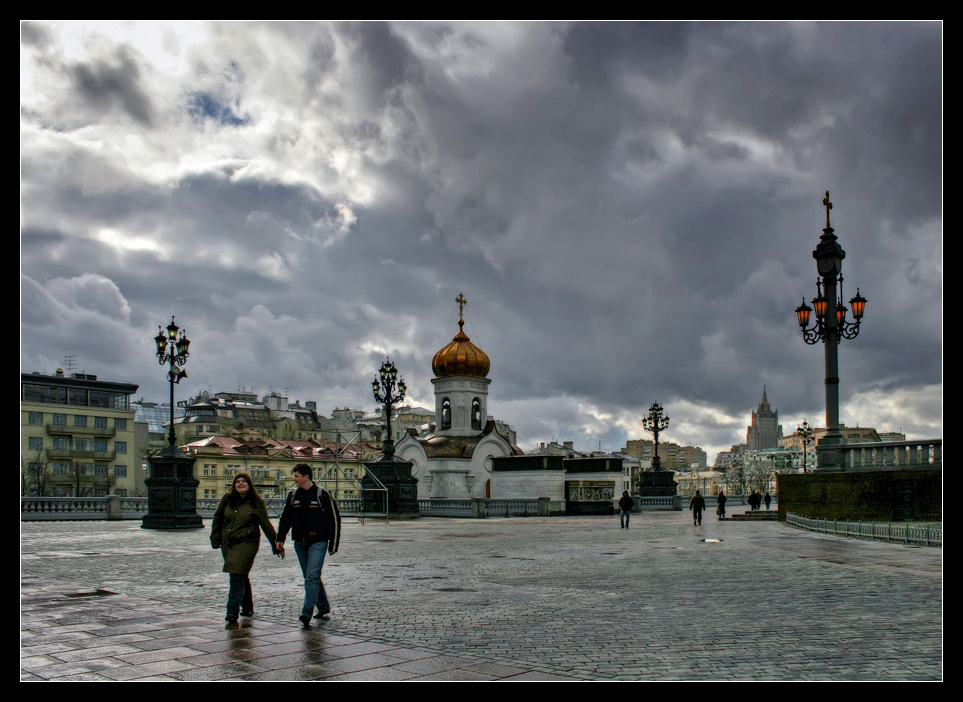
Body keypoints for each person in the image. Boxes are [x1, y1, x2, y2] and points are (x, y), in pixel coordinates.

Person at [276, 463, 341, 626]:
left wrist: (333, 544)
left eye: (296, 476)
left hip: (318, 542)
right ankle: (323, 606)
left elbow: (334, 520)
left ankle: (307, 612)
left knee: (311, 576)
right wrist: (280, 539)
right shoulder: (293, 495)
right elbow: (286, 518)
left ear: (306, 477)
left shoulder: (322, 494)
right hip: (300, 542)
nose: (294, 479)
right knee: (310, 576)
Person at [210, 472, 279, 623]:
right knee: (240, 574)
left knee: (236, 575)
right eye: (237, 482)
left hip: (248, 542)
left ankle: (232, 612)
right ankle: (247, 606)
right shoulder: (227, 499)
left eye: (244, 481)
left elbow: (265, 524)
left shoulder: (256, 502)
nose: (240, 484)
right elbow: (218, 518)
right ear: (234, 485)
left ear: (249, 485)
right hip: (229, 543)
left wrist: (276, 543)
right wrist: (215, 538)